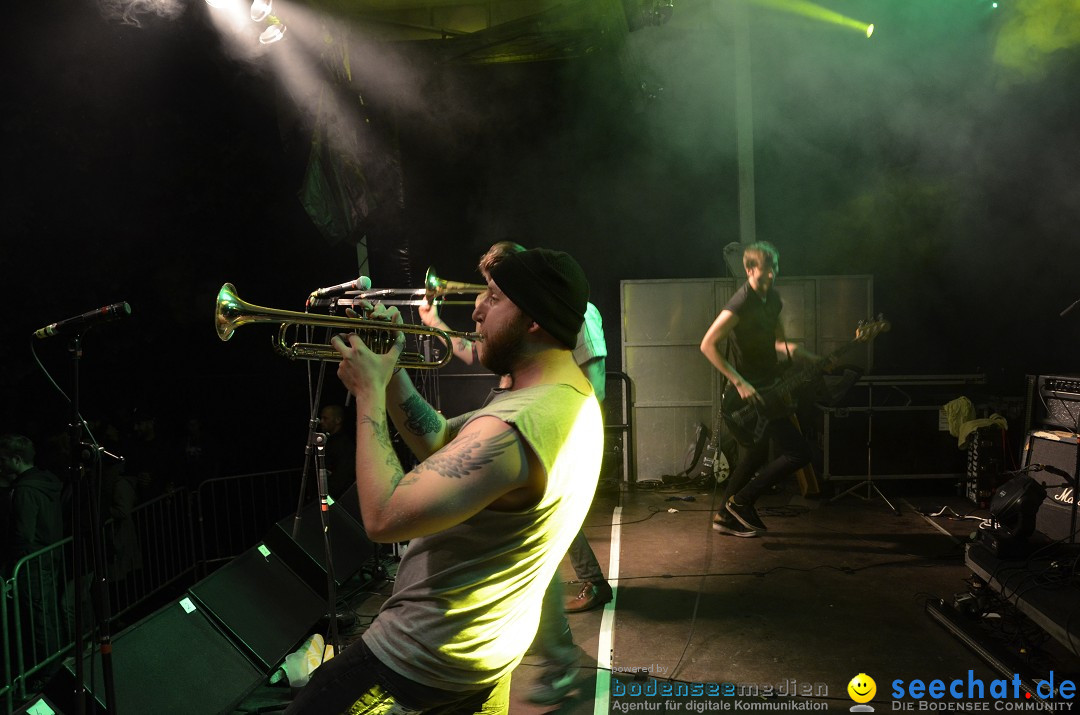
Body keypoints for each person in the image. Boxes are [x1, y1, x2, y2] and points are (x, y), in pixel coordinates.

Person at [286, 248, 604, 714]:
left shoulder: (518, 423)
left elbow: (382, 516)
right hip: (485, 653)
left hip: (418, 658)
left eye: (492, 298)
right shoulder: (566, 398)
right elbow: (439, 440)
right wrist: (390, 369)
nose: (475, 310)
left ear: (533, 318)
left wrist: (369, 393)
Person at [419, 241, 612, 704]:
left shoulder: (579, 315)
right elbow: (478, 352)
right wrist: (439, 326)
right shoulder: (513, 339)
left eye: (496, 294)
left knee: (535, 552)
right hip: (520, 415)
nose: (483, 305)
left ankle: (560, 655)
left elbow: (596, 383)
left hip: (547, 426)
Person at [699, 241, 819, 537]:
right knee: (798, 452)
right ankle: (740, 502)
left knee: (754, 455)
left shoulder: (773, 300)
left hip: (770, 388)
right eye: (767, 269)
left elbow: (778, 344)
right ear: (750, 269)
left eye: (776, 267)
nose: (773, 274)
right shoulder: (741, 302)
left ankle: (722, 516)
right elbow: (707, 344)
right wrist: (739, 381)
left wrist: (804, 355)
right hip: (750, 395)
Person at [0, 433, 66, 672]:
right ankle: (54, 667)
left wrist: (10, 567)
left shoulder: (25, 490)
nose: (1, 465)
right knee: (47, 615)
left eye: (3, 459)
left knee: (38, 619)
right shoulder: (46, 482)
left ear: (16, 459)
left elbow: (23, 534)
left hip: (31, 563)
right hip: (48, 556)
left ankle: (47, 674)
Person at [318, 404, 356, 499]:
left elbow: (342, 476)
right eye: (321, 418)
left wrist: (329, 499)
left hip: (336, 497)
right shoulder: (328, 441)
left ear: (338, 420)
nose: (321, 422)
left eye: (325, 418)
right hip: (327, 495)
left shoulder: (345, 445)